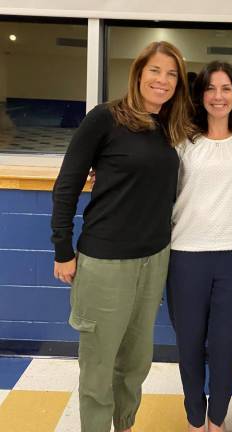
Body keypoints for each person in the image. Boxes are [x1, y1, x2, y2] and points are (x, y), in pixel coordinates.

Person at [51, 41, 194, 432]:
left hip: (154, 259)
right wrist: (63, 249)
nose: (162, 81)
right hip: (105, 261)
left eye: (171, 74)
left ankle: (125, 424)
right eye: (155, 71)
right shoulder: (105, 118)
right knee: (99, 364)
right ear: (138, 72)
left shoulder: (170, 127)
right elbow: (67, 185)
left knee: (135, 361)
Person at [167, 61, 232, 432]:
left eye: (226, 88)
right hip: (186, 254)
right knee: (189, 346)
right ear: (200, 94)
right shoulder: (181, 138)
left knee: (225, 347)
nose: (218, 96)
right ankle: (195, 419)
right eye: (211, 88)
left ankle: (217, 420)